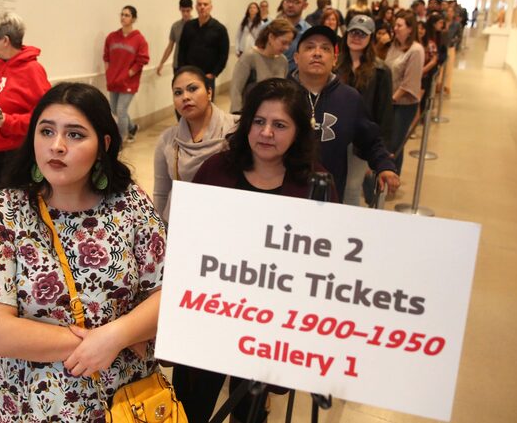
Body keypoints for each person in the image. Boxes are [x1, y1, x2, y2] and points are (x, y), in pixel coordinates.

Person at [0, 82, 165, 422]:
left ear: (104, 145)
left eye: (75, 135)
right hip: (30, 399)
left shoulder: (129, 204)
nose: (56, 146)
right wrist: (107, 341)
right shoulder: (1, 214)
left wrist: (116, 335)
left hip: (123, 397)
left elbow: (166, 292)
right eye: (46, 131)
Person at [175, 77, 331, 422]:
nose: (266, 133)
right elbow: (188, 242)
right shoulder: (217, 170)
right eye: (259, 122)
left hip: (269, 325)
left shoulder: (314, 183)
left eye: (279, 125)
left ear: (298, 131)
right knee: (190, 405)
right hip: (210, 313)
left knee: (248, 410)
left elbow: (323, 265)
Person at [291, 25, 399, 201]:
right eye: (309, 47)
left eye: (325, 48)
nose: (317, 53)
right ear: (296, 57)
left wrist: (384, 165)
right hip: (284, 192)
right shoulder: (279, 94)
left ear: (334, 59)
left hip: (329, 193)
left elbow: (370, 140)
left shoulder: (349, 98)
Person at [0, 12, 51, 196]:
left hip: (12, 153)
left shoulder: (32, 70)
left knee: (12, 207)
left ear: (5, 40)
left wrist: (8, 122)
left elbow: (45, 116)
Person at [153, 65, 236, 221]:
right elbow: (161, 193)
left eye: (192, 89)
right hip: (181, 222)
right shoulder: (167, 139)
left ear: (209, 92)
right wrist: (159, 233)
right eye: (178, 93)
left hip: (224, 220)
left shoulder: (234, 132)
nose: (185, 97)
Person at [336, 15, 394, 206]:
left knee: (352, 188)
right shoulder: (335, 66)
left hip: (361, 138)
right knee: (334, 185)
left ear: (370, 38)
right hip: (334, 134)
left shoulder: (380, 70)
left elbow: (384, 110)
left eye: (362, 34)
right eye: (353, 32)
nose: (356, 37)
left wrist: (382, 148)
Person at [385, 11, 425, 175]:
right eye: (395, 25)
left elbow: (409, 82)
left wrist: (391, 99)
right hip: (390, 102)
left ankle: (393, 177)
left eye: (399, 25)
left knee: (395, 144)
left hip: (403, 105)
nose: (395, 28)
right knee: (387, 142)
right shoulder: (394, 46)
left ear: (410, 29)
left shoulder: (416, 50)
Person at [229, 18, 296, 113]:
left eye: (289, 44)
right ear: (271, 37)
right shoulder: (250, 56)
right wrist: (238, 115)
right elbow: (236, 90)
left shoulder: (283, 61)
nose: (286, 47)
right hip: (250, 113)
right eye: (284, 43)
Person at [104, 5, 150, 143]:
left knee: (121, 110)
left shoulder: (139, 39)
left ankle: (121, 139)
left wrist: (128, 73)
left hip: (129, 82)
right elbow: (106, 57)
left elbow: (143, 60)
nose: (123, 17)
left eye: (127, 15)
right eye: (122, 14)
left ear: (133, 19)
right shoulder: (112, 37)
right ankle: (132, 128)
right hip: (113, 80)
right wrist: (109, 73)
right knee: (114, 109)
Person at [178, 0, 230, 93]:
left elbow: (223, 54)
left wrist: (214, 73)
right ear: (196, 7)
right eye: (200, 4)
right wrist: (183, 70)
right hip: (190, 75)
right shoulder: (188, 26)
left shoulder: (220, 29)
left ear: (211, 7)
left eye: (205, 4)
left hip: (207, 76)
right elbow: (182, 50)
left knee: (207, 106)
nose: (202, 7)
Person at [273, 0, 312, 75]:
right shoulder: (269, 28)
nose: (290, 5)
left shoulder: (309, 32)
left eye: (296, 2)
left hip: (294, 83)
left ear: (305, 5)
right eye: (288, 0)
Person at [155, 0, 193, 75]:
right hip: (178, 65)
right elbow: (170, 47)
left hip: (192, 66)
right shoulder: (175, 26)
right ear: (180, 9)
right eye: (183, 11)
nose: (185, 14)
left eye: (188, 11)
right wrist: (162, 63)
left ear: (192, 9)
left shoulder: (197, 25)